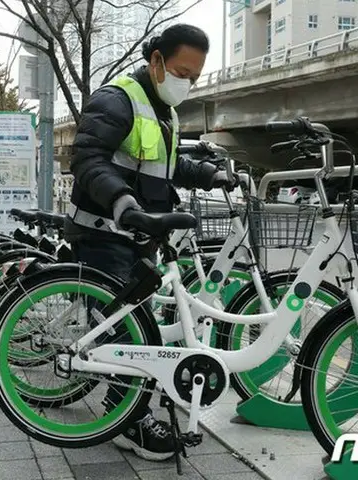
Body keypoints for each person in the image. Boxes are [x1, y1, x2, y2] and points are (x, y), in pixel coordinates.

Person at [64, 24, 236, 461]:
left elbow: (169, 164)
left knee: (140, 324)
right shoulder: (117, 99)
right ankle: (132, 422)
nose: (187, 83)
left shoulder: (165, 112)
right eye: (182, 71)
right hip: (104, 232)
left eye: (195, 77)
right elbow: (85, 158)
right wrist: (122, 200)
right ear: (156, 61)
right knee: (137, 332)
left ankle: (125, 405)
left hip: (136, 235)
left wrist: (210, 174)